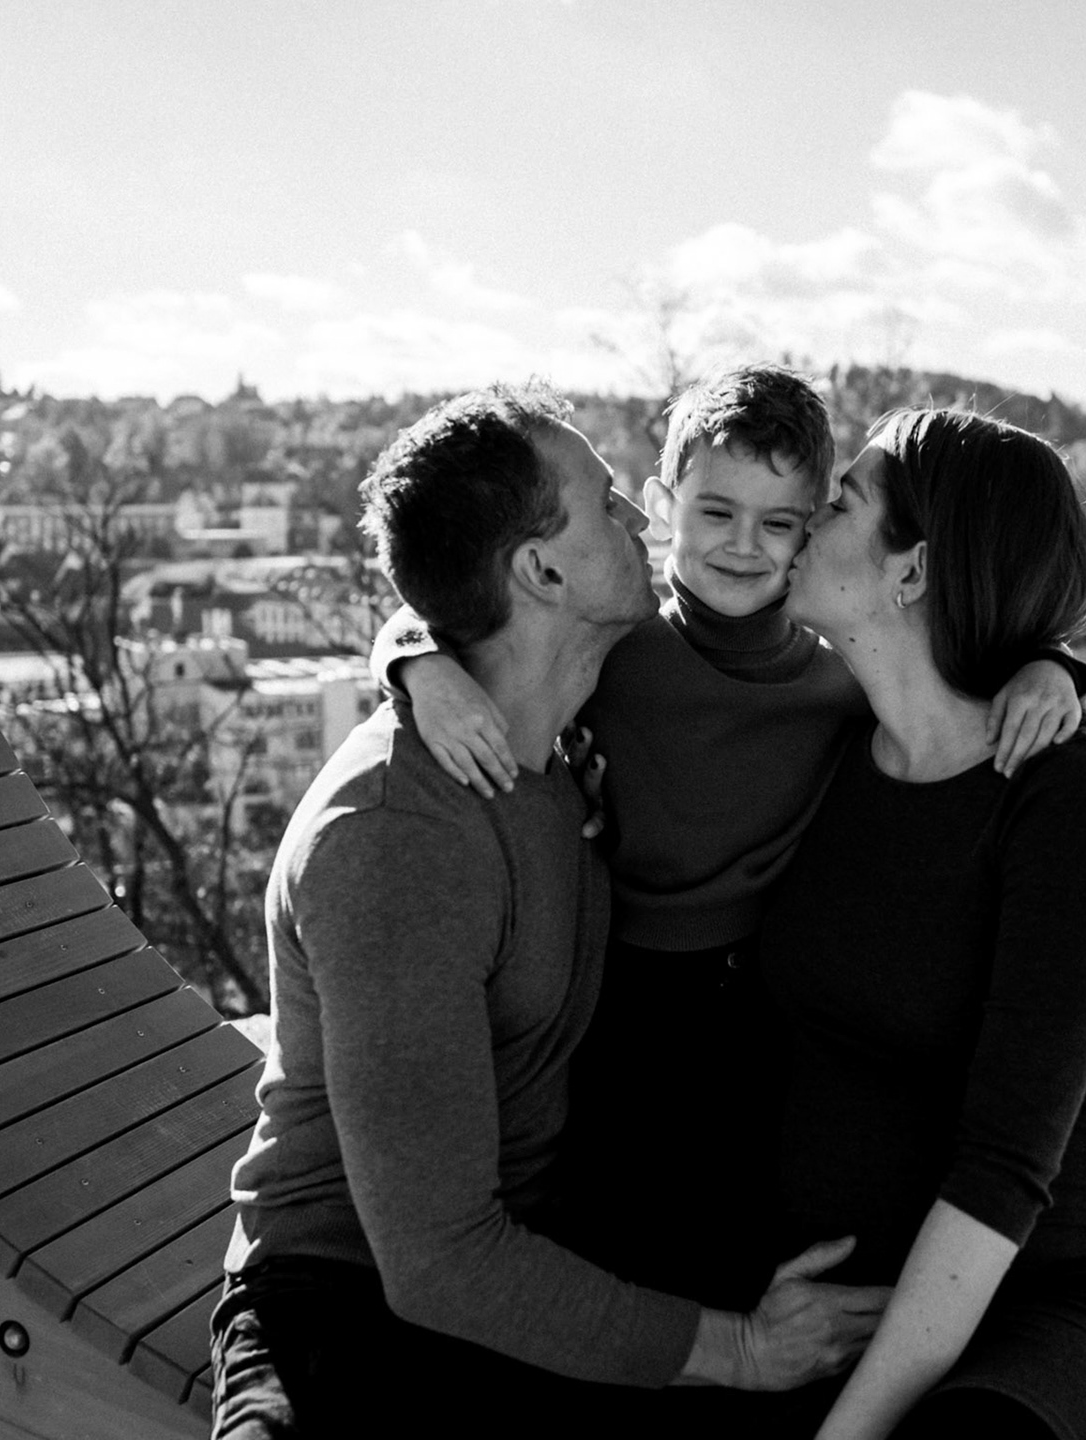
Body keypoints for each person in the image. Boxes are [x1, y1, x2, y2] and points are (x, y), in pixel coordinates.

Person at [211, 382, 890, 1438]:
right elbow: (437, 1264)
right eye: (610, 503)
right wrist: (744, 1350)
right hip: (348, 1311)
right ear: (541, 571)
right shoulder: (401, 832)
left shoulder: (560, 748)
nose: (637, 521)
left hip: (528, 1280)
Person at [371, 366, 1086, 1313]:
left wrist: (1052, 665)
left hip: (766, 993)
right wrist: (417, 664)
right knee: (616, 1214)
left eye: (781, 522)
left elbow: (964, 644)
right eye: (716, 513)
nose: (744, 546)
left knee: (746, 1221)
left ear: (812, 529)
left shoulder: (841, 682)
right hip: (624, 990)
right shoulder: (614, 644)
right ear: (664, 504)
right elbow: (460, 595)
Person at [755, 408, 1086, 1439]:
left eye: (844, 500)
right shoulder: (826, 746)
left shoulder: (1077, 801)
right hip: (829, 1312)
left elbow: (1003, 1171)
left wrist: (846, 1435)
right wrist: (414, 655)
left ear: (912, 570)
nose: (808, 515)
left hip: (1044, 1317)